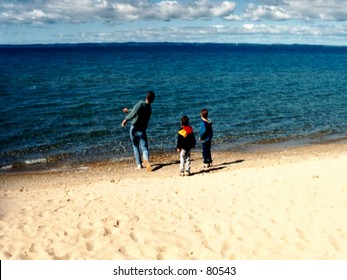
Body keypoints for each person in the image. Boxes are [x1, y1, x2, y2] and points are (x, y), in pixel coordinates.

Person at [121, 91, 155, 171]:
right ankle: (146, 159)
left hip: (134, 128)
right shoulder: (149, 109)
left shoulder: (140, 103)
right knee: (144, 148)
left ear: (146, 97)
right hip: (142, 130)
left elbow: (134, 112)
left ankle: (139, 165)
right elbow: (135, 111)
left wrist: (126, 119)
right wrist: (128, 111)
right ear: (152, 100)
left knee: (135, 146)